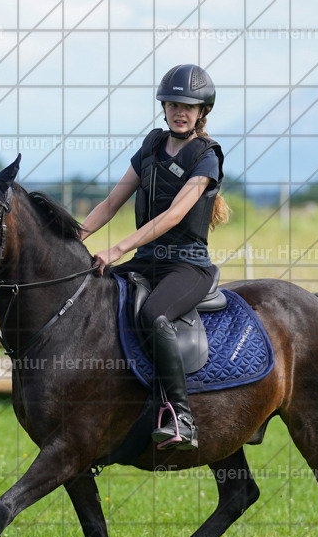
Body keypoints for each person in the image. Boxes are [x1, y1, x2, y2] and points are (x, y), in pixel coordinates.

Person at [80, 63, 230, 450]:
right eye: (173, 104)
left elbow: (175, 215)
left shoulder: (207, 156)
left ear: (202, 112)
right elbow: (111, 202)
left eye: (189, 107)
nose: (180, 112)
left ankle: (181, 416)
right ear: (163, 107)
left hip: (187, 265)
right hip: (147, 261)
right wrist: (76, 237)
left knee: (153, 315)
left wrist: (118, 248)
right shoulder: (150, 148)